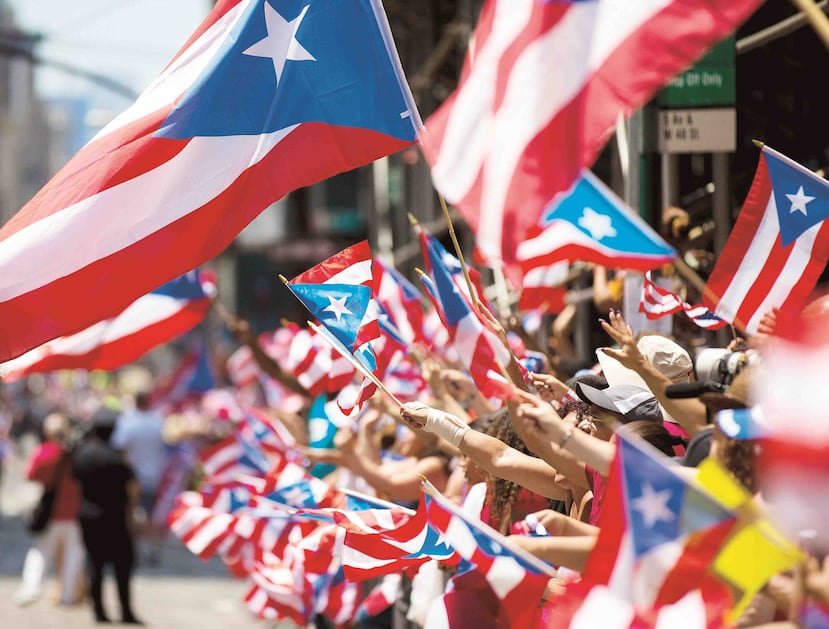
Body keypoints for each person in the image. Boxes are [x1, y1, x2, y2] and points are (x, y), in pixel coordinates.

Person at [73, 407, 142, 625]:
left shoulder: (82, 454)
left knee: (95, 564)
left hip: (88, 516)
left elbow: (74, 480)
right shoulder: (117, 457)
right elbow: (132, 489)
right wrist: (134, 518)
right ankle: (125, 611)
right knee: (122, 566)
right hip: (115, 518)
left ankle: (99, 611)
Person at [14, 412, 85, 607]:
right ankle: (67, 595)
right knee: (73, 554)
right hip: (73, 512)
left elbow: (30, 474)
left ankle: (32, 587)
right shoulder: (76, 452)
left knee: (41, 552)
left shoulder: (44, 451)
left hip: (52, 512)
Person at [111, 391, 170, 565]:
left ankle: (134, 549)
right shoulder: (158, 420)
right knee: (151, 514)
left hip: (133, 476)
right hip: (155, 474)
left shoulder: (128, 422)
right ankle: (152, 548)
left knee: (131, 513)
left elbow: (118, 446)